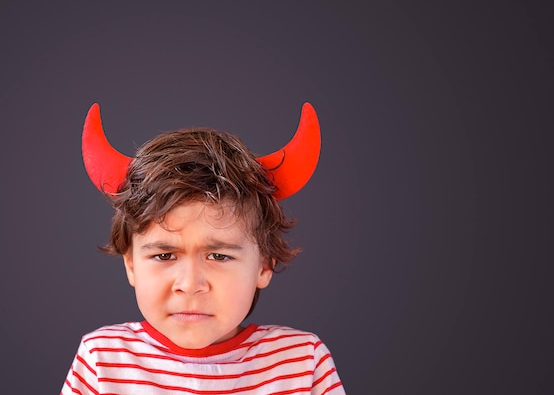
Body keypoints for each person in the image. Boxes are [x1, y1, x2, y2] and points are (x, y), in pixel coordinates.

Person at [61, 102, 345, 394]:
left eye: (219, 255)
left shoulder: (301, 362)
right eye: (164, 255)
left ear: (264, 265)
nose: (190, 285)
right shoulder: (103, 359)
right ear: (131, 264)